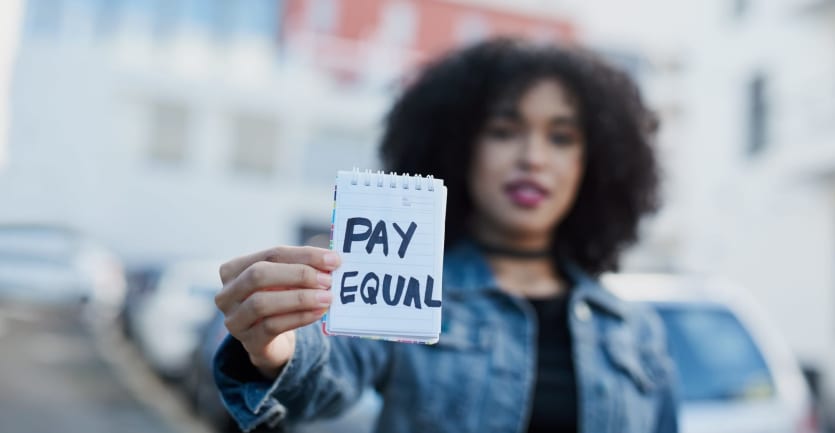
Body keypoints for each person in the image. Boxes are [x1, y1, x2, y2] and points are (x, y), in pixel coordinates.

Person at [213, 37, 678, 433]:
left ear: (592, 163)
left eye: (561, 138)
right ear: (458, 148)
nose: (533, 157)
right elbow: (324, 376)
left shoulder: (636, 333)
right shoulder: (404, 287)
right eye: (503, 130)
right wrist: (279, 349)